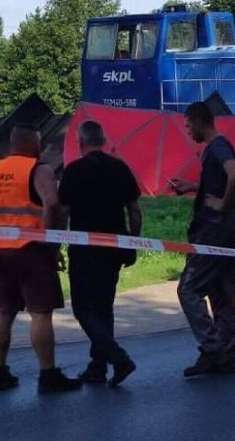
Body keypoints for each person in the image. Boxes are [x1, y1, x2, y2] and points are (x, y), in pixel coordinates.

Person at [0, 124, 82, 394]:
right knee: (40, 313)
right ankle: (48, 374)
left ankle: (0, 372)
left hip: (2, 251)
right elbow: (52, 203)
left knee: (4, 311)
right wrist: (52, 243)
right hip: (32, 249)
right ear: (33, 144)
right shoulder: (38, 170)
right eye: (39, 142)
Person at [58, 121, 141, 388]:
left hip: (83, 250)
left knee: (83, 308)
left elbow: (63, 212)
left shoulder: (73, 171)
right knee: (104, 307)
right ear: (103, 141)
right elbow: (134, 209)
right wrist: (133, 242)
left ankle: (118, 358)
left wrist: (55, 244)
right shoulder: (119, 168)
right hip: (114, 248)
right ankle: (97, 367)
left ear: (81, 143)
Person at [169, 102, 235, 377]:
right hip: (227, 231)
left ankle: (211, 348)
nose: (188, 132)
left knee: (188, 290)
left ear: (200, 122)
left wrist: (223, 205)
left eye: (188, 126)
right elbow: (222, 181)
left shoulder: (218, 147)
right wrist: (194, 188)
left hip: (212, 232)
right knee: (222, 295)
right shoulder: (216, 149)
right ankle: (227, 357)